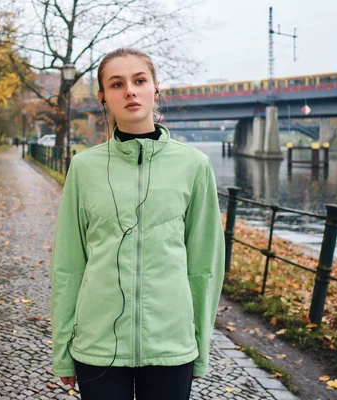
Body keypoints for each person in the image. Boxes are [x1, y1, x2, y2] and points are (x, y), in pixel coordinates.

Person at [50, 48, 225, 400]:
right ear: (103, 98)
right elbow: (68, 266)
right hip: (97, 344)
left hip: (171, 342)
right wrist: (62, 354)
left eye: (139, 80)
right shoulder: (84, 167)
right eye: (117, 84)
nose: (130, 90)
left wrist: (199, 344)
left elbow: (205, 266)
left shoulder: (194, 165)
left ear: (154, 88)